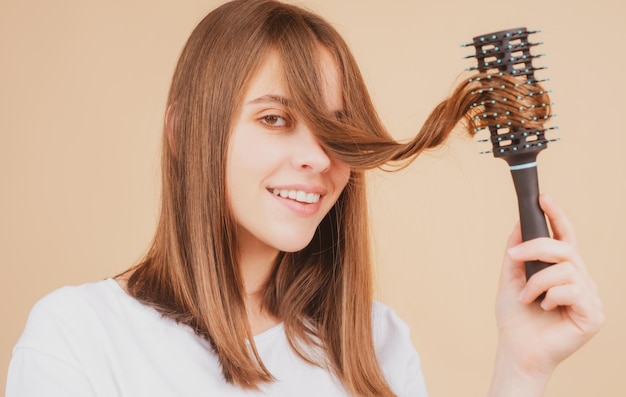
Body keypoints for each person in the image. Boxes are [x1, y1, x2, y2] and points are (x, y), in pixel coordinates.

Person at [6, 0, 604, 396]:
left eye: (335, 128)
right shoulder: (79, 339)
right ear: (184, 132)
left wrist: (523, 366)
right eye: (274, 119)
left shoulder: (375, 344)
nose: (319, 159)